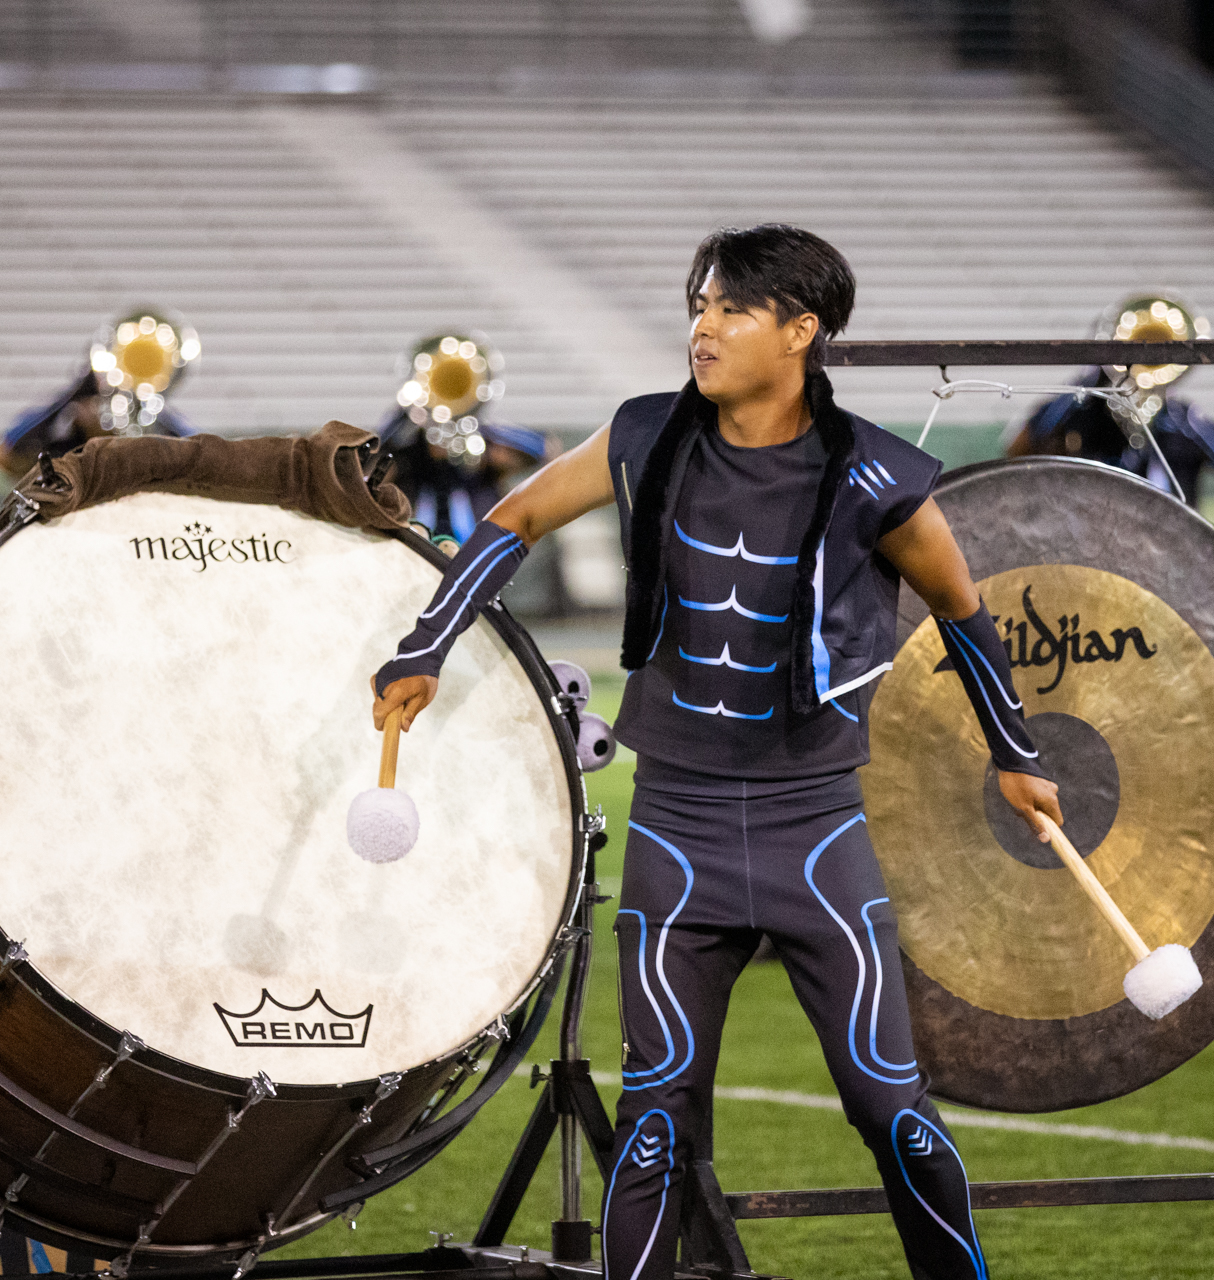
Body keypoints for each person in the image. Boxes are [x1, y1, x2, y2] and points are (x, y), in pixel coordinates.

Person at [368, 225, 1060, 1280]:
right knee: (656, 1115)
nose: (703, 326)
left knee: (894, 1110)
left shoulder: (879, 472)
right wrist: (424, 643)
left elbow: (963, 613)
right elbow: (516, 517)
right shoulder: (644, 433)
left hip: (816, 830)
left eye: (732, 308)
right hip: (677, 829)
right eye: (699, 304)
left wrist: (1017, 751)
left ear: (800, 329)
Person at [1009, 294, 1214, 507]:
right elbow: (1017, 449)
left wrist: (1190, 426)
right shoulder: (1080, 407)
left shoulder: (1182, 419)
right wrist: (1087, 384)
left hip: (1171, 543)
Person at [375, 332, 551, 542]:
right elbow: (368, 462)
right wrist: (406, 412)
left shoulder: (483, 454)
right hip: (413, 555)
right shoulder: (409, 455)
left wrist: (478, 422)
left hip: (474, 553)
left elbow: (545, 449)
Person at [0, 310, 200, 475]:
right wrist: (74, 393)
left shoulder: (158, 432)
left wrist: (153, 406)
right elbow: (7, 449)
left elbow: (200, 452)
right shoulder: (63, 444)